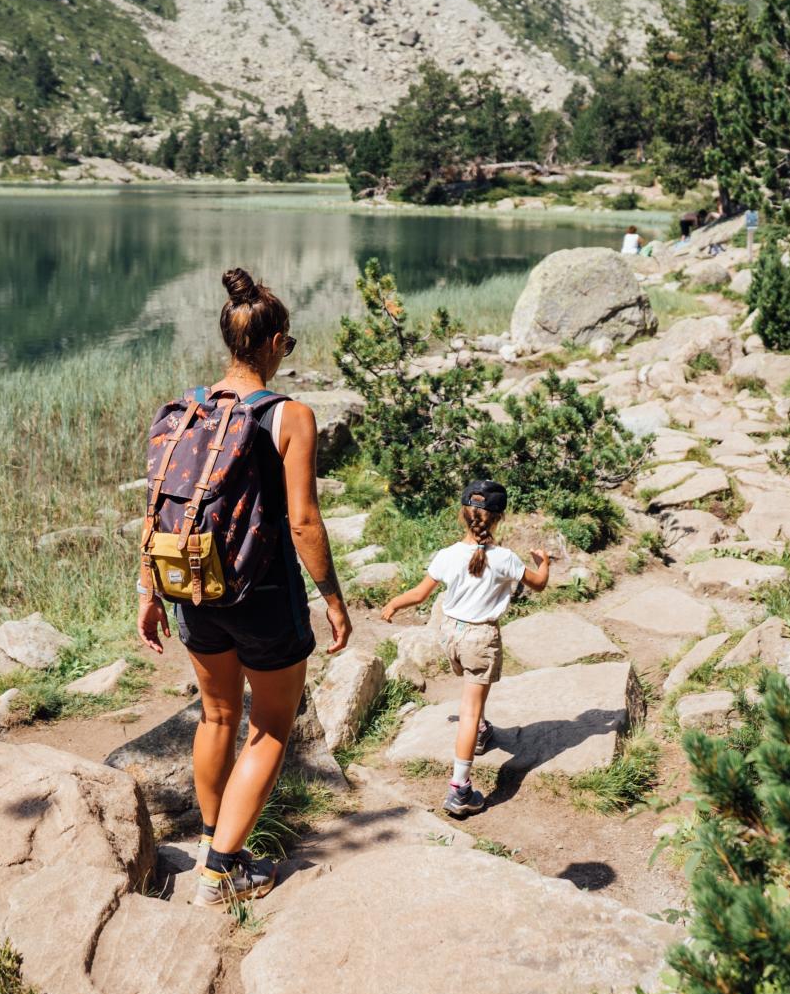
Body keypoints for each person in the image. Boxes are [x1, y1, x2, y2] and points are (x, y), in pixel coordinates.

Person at [137, 267, 351, 906]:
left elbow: (158, 505)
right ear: (277, 341)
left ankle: (213, 840)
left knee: (217, 715)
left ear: (229, 340)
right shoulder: (289, 415)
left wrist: (149, 589)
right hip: (262, 594)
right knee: (273, 726)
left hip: (193, 585)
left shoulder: (185, 409)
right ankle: (221, 871)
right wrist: (334, 600)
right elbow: (304, 521)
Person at [375, 478, 549, 818]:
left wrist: (394, 603)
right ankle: (460, 790)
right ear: (500, 518)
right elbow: (539, 584)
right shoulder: (505, 559)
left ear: (462, 515)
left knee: (471, 693)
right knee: (469, 710)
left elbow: (420, 594)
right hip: (480, 638)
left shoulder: (447, 555)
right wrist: (543, 562)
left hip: (449, 635)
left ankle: (481, 729)